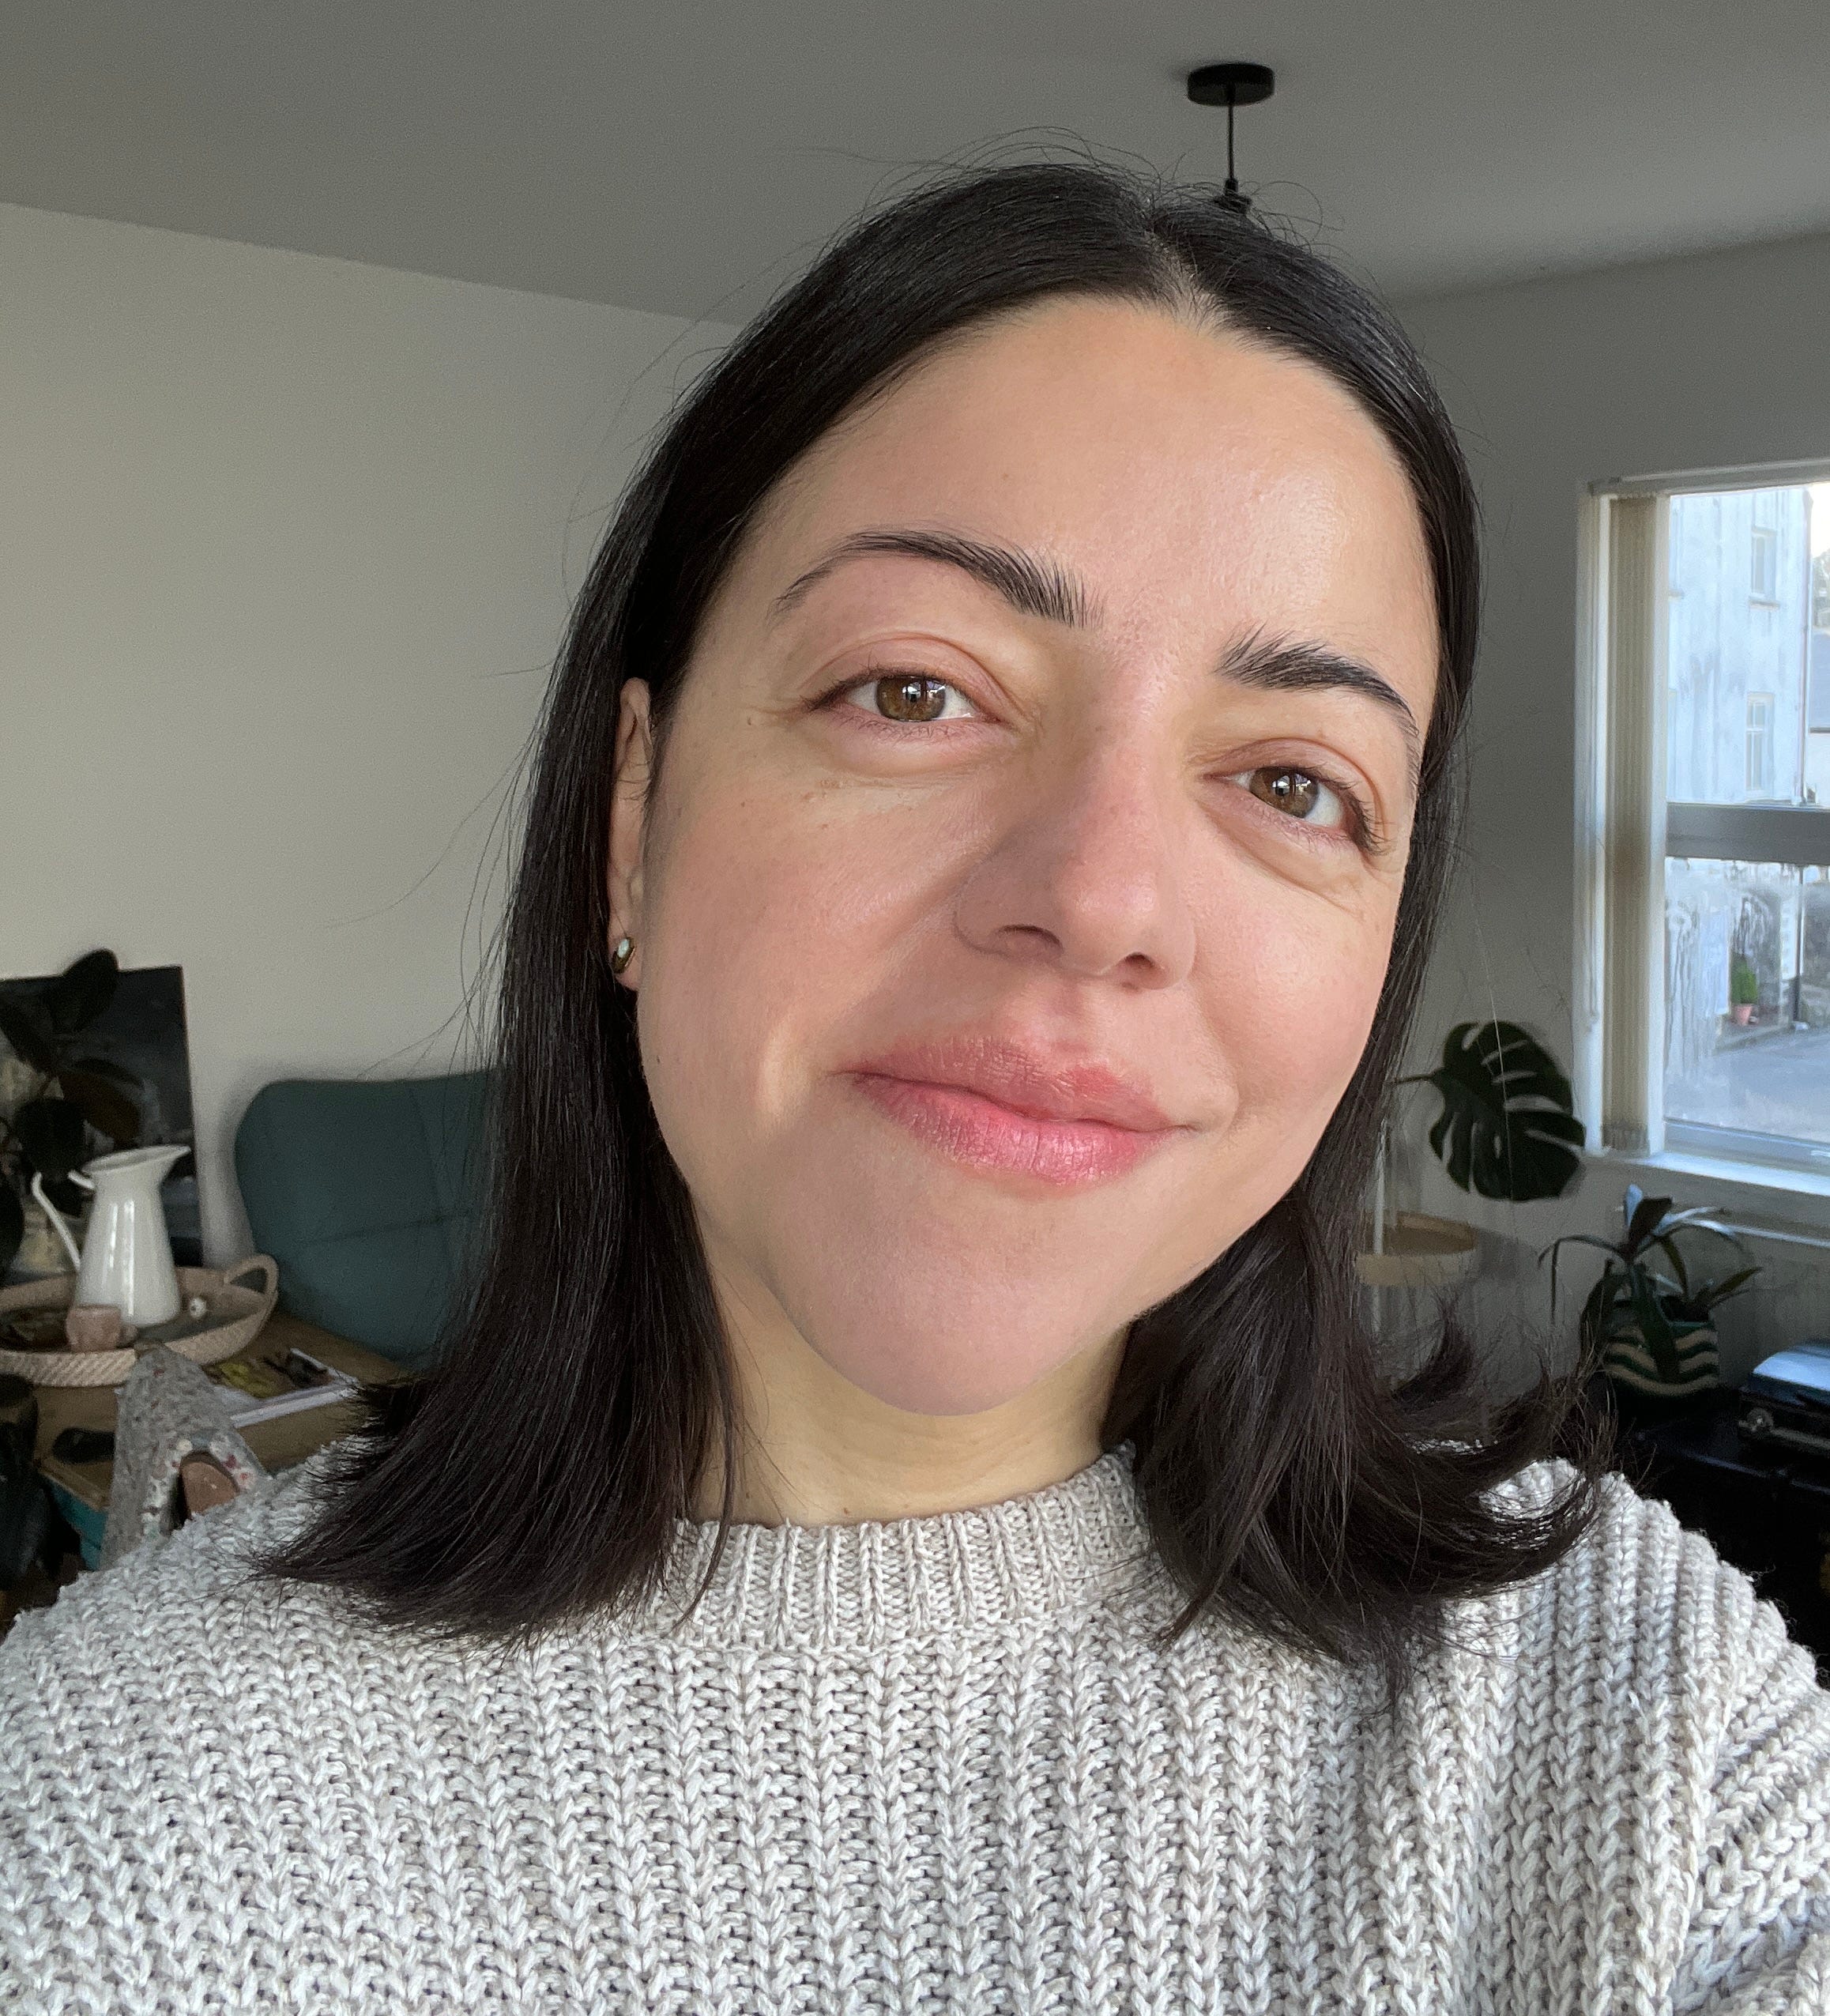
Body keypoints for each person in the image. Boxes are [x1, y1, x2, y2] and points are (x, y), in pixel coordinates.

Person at [3, 162, 1826, 2013]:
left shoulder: (1645, 1721)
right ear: (633, 815)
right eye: (913, 692)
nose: (1101, 899)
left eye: (1295, 782)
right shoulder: (99, 1820)